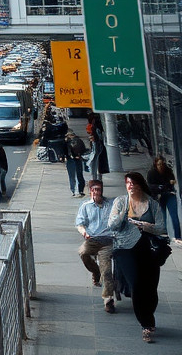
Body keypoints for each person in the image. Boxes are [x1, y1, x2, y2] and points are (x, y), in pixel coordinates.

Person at [108, 170, 167, 342]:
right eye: (127, 183)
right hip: (125, 249)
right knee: (136, 284)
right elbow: (112, 225)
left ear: (140, 185)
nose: (130, 186)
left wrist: (144, 225)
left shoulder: (153, 204)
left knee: (151, 288)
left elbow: (161, 228)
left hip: (149, 249)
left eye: (133, 183)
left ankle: (148, 313)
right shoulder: (121, 202)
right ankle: (146, 325)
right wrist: (123, 214)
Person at [76, 179, 116, 313]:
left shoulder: (110, 204)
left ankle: (108, 299)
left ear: (102, 190)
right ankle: (95, 271)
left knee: (107, 270)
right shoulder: (85, 205)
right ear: (89, 191)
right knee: (83, 252)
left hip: (107, 240)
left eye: (98, 189)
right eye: (93, 190)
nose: (96, 192)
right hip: (92, 239)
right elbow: (80, 223)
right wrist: (84, 232)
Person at [147, 156, 181, 241]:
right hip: (159, 196)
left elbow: (172, 181)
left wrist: (167, 185)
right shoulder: (152, 173)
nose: (161, 166)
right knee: (162, 215)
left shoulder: (168, 170)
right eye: (159, 164)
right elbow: (150, 187)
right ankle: (165, 234)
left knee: (174, 216)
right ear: (155, 164)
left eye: (162, 164)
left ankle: (178, 236)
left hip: (169, 194)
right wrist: (162, 186)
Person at [64, 129, 87, 197]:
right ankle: (80, 190)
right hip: (78, 159)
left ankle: (74, 190)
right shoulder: (80, 141)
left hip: (71, 160)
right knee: (79, 175)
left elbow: (67, 152)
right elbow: (84, 149)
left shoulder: (68, 142)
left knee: (72, 176)